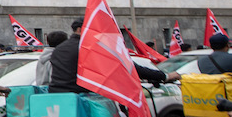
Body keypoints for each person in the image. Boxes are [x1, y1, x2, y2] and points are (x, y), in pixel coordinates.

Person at [49, 20, 178, 93]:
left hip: (58, 95)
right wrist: (164, 76)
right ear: (81, 29)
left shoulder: (59, 49)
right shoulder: (90, 48)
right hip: (85, 97)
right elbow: (128, 67)